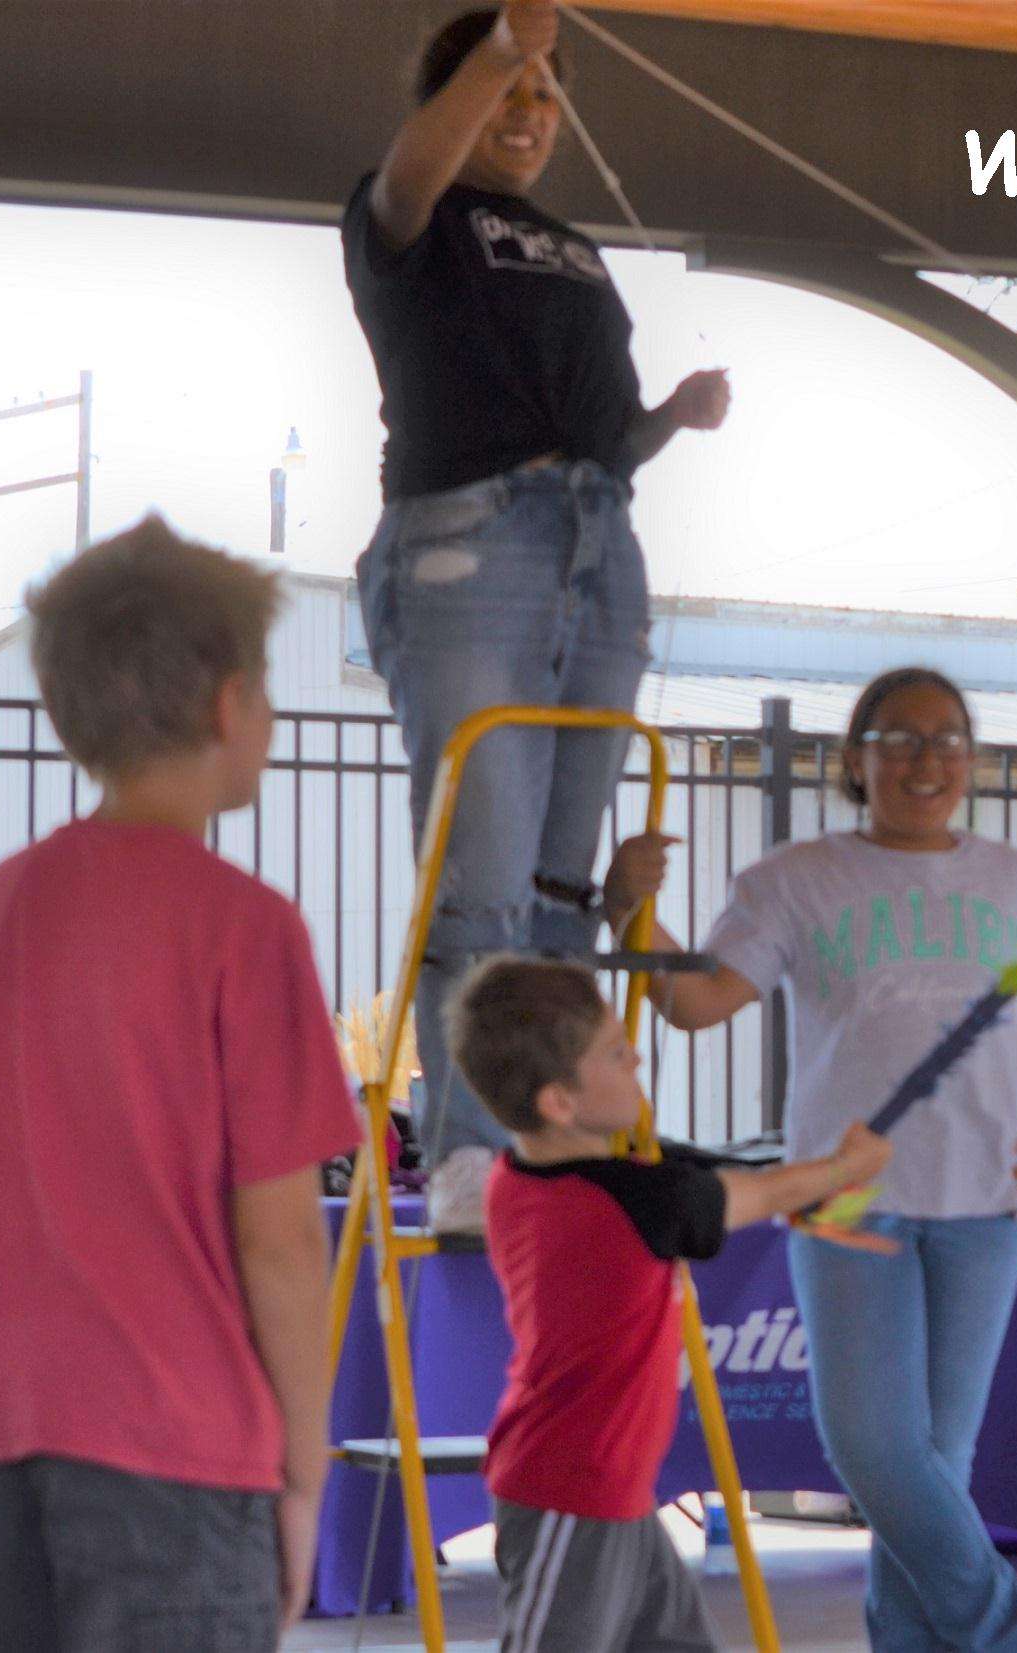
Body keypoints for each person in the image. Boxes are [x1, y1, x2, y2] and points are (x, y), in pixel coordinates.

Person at [613, 666, 1017, 1653]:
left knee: (935, 1457)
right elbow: (697, 1001)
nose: (927, 758)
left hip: (986, 1202)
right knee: (873, 1447)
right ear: (856, 760)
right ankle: (1009, 1621)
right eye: (899, 739)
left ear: (970, 759)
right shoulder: (794, 880)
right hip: (846, 1200)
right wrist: (629, 911)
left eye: (948, 739)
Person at [0, 521, 360, 1649]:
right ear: (228, 705)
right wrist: (304, 1477)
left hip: (6, 1442)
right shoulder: (248, 931)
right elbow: (283, 1243)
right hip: (185, 1451)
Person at [341, 0, 732, 1230]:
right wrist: (508, 46)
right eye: (510, 92)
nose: (529, 113)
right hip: (472, 540)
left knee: (560, 881)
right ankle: (466, 1154)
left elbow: (603, 436)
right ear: (454, 98)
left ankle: (555, 1141)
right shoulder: (410, 213)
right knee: (486, 876)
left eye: (547, 96)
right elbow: (412, 167)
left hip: (594, 538)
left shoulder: (575, 247)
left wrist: (669, 415)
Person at [446, 957, 889, 1652]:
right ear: (559, 1102)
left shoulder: (516, 1174)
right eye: (617, 1055)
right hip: (570, 1489)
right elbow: (763, 1193)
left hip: (612, 1491)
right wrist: (846, 1168)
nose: (637, 1059)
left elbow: (688, 1176)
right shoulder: (632, 1200)